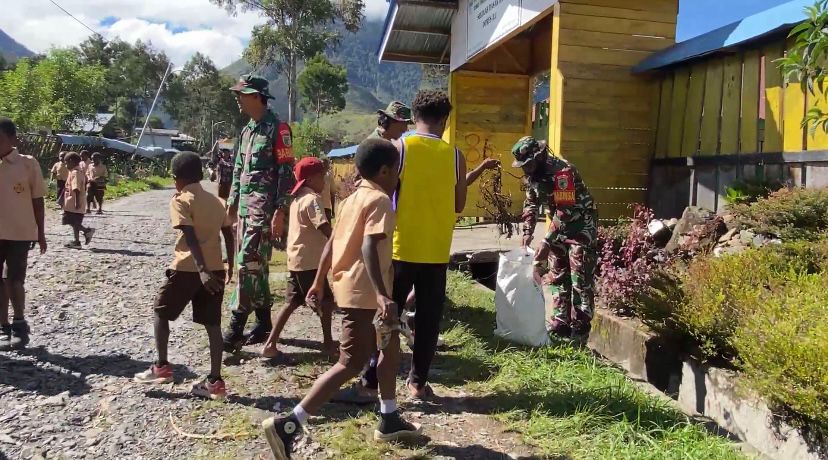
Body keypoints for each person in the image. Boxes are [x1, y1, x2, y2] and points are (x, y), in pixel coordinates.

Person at [261, 139, 421, 459]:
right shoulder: (379, 200)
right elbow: (368, 247)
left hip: (355, 289)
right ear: (385, 171)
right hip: (365, 294)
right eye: (397, 171)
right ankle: (289, 425)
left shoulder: (350, 200)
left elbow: (331, 243)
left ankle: (389, 417)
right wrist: (382, 295)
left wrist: (318, 281)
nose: (398, 177)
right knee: (350, 363)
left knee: (390, 347)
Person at [342, 91, 499, 403]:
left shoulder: (399, 149)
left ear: (414, 117)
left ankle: (370, 382)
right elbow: (458, 204)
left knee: (387, 316)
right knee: (428, 320)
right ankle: (417, 384)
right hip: (436, 251)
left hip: (399, 249)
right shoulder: (455, 157)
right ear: (445, 120)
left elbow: (381, 193)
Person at [134, 152, 235, 400]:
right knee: (213, 325)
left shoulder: (181, 200)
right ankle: (215, 382)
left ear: (177, 178)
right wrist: (230, 264)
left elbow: (189, 237)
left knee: (160, 311)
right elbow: (228, 233)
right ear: (200, 175)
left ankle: (162, 367)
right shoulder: (216, 202)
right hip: (216, 270)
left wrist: (201, 271)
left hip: (188, 269)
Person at [224, 74, 296, 352]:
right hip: (245, 210)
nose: (237, 98)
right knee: (258, 267)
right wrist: (232, 204)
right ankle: (264, 322)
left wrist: (281, 211)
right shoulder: (246, 131)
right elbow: (238, 170)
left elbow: (286, 172)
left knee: (246, 265)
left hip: (264, 211)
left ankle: (235, 327)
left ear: (257, 96)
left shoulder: (278, 129)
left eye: (241, 94)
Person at [511, 136, 598, 340]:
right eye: (523, 166)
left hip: (581, 225)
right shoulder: (532, 175)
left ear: (539, 157)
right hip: (558, 226)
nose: (526, 170)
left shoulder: (562, 171)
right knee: (558, 273)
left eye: (529, 164)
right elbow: (531, 203)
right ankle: (560, 323)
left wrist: (546, 241)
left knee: (580, 277)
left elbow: (565, 210)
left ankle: (580, 330)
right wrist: (527, 232)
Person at [261, 157, 336, 360]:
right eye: (322, 177)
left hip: (296, 260)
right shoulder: (313, 199)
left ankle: (270, 344)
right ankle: (328, 344)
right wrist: (339, 239)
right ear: (311, 179)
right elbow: (323, 226)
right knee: (327, 302)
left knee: (292, 302)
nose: (325, 181)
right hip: (310, 262)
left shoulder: (296, 200)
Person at [0, 118, 47, 351]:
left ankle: (19, 323)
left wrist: (41, 233)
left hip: (20, 233)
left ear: (12, 139)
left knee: (15, 279)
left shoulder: (27, 164)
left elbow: (38, 201)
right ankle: (3, 326)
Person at [62, 152, 95, 249]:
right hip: (74, 202)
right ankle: (76, 242)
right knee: (75, 223)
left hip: (73, 202)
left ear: (71, 162)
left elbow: (76, 188)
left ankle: (87, 231)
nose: (66, 165)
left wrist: (76, 202)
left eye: (66, 163)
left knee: (71, 221)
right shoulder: (78, 171)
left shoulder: (75, 173)